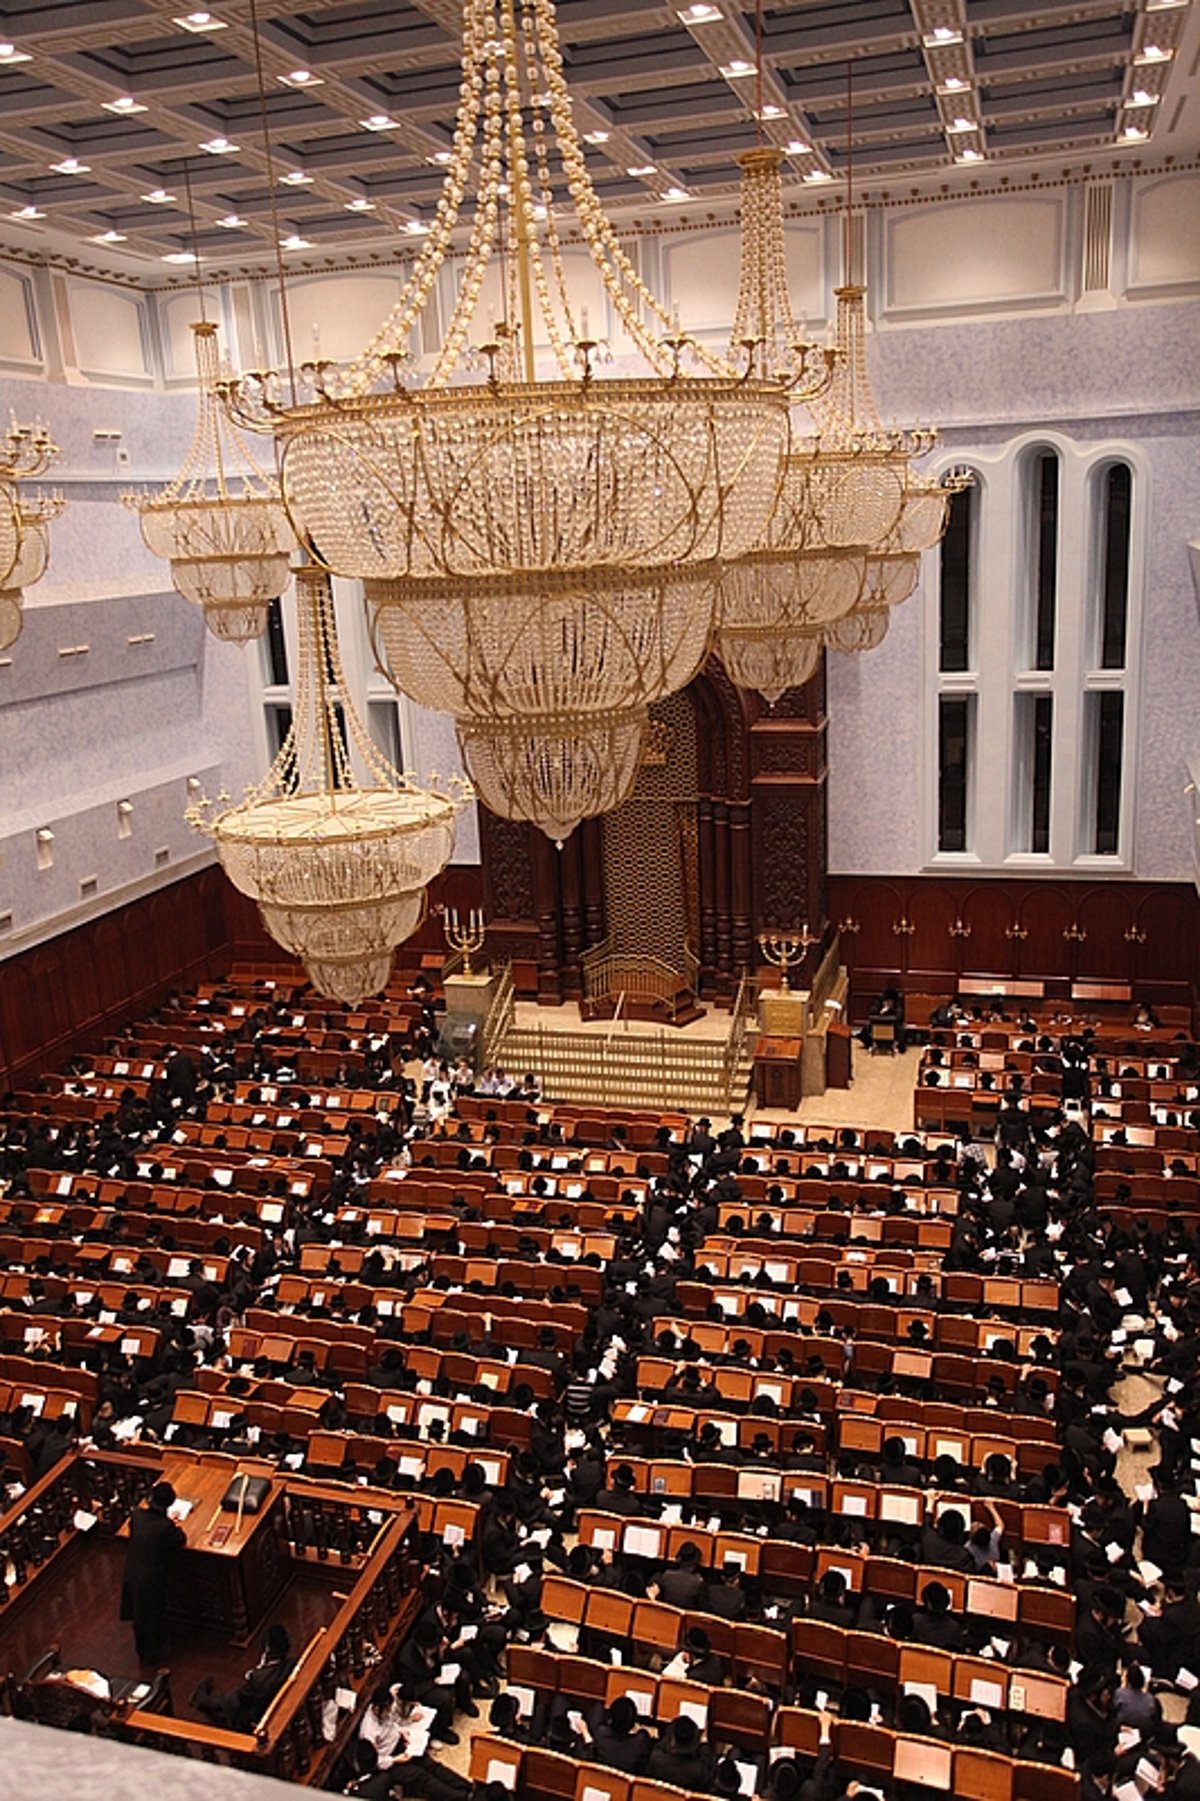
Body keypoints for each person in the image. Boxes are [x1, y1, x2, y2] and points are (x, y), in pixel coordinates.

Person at [119, 1479, 185, 1664]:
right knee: (152, 1617)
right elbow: (180, 1539)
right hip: (151, 1580)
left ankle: (144, 1652)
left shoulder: (137, 1516)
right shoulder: (165, 1528)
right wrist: (170, 1523)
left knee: (140, 1618)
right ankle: (152, 1656)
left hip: (132, 1574)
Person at [192, 1622, 294, 1731]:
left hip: (252, 1715)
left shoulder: (258, 1680)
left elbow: (243, 1697)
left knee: (230, 1699)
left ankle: (201, 1700)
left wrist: (254, 1674)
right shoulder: (291, 1664)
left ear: (267, 1648)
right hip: (270, 1704)